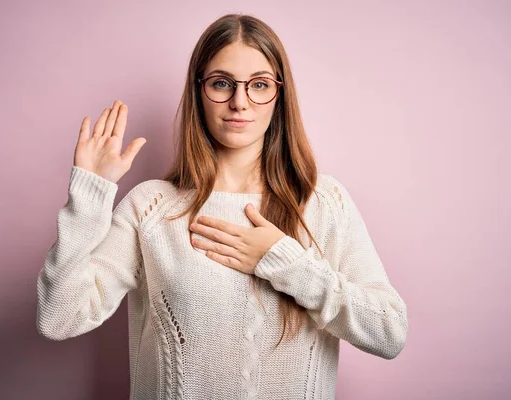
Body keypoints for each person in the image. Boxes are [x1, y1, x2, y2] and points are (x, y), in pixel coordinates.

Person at [36, 13, 408, 400]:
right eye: (221, 83)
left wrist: (288, 264)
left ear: (279, 96)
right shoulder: (151, 207)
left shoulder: (324, 203)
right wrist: (89, 195)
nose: (239, 102)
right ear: (199, 90)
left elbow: (389, 332)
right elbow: (59, 319)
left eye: (259, 85)